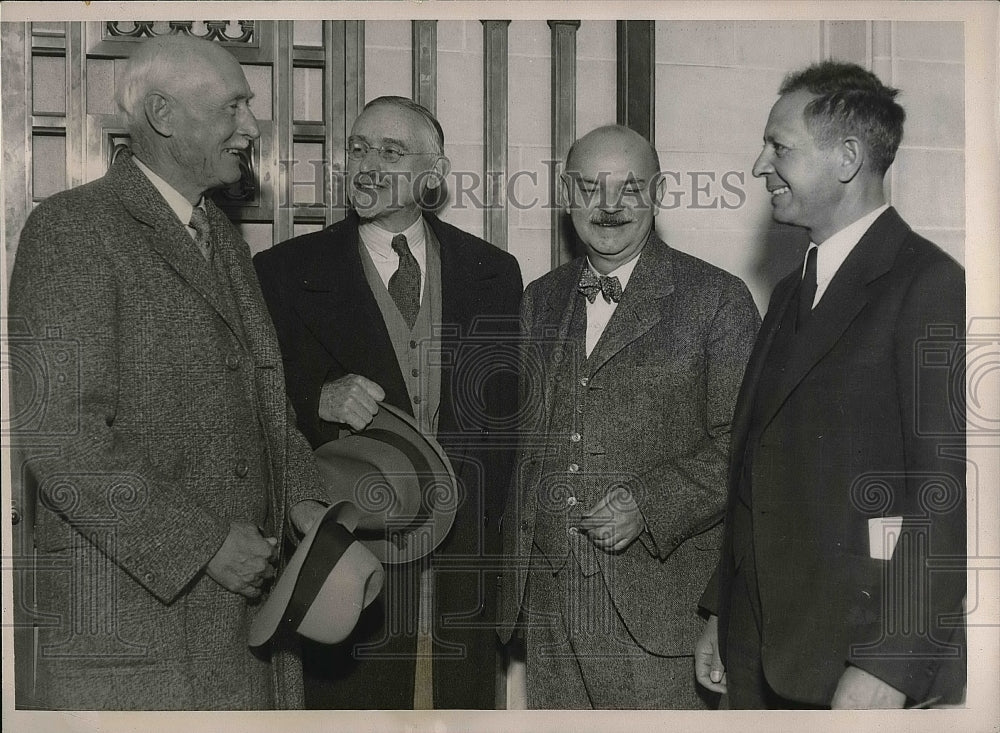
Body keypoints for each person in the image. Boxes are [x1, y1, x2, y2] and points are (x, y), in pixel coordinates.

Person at [7, 35, 330, 710]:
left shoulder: (223, 238)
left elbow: (269, 402)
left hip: (244, 631)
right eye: (234, 106)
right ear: (162, 113)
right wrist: (204, 543)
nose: (250, 126)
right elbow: (61, 439)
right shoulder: (71, 230)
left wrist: (308, 503)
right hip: (140, 637)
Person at [694, 60, 967, 709]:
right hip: (759, 651)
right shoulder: (792, 288)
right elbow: (758, 464)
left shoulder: (930, 285)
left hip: (856, 668)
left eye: (779, 147)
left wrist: (890, 667)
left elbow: (949, 495)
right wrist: (720, 611)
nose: (761, 165)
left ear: (847, 157)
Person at [253, 96, 523, 709]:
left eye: (391, 152)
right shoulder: (283, 271)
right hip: (354, 561)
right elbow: (250, 401)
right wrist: (316, 396)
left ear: (433, 174)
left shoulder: (495, 272)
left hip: (462, 579)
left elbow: (509, 430)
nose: (367, 166)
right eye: (357, 149)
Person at [496, 124, 760, 709]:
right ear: (568, 194)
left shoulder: (717, 297)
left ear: (659, 192)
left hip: (659, 613)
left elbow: (744, 445)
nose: (608, 207)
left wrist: (648, 502)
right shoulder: (540, 297)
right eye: (590, 188)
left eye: (629, 189)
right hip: (550, 609)